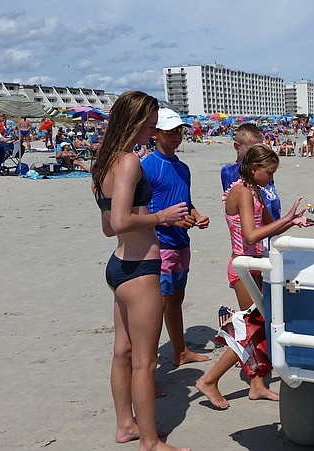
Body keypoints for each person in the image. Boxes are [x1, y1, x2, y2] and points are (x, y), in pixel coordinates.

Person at [90, 90, 190, 451]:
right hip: (141, 266)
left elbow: (107, 226)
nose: (151, 132)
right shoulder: (130, 161)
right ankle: (150, 441)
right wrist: (161, 216)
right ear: (134, 123)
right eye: (149, 126)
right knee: (145, 364)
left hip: (118, 266)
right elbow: (119, 221)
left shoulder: (103, 162)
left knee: (123, 353)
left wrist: (144, 218)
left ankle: (125, 426)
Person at [196, 143, 313, 409]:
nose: (272, 178)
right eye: (269, 173)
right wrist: (287, 218)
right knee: (252, 327)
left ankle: (257, 385)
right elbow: (251, 235)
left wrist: (293, 221)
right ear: (254, 168)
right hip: (243, 267)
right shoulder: (242, 192)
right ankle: (210, 380)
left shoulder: (256, 191)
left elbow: (271, 229)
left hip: (255, 265)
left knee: (262, 325)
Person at [140, 108, 211, 368]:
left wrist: (197, 216)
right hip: (161, 244)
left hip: (182, 243)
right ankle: (149, 364)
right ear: (156, 134)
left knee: (176, 298)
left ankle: (180, 350)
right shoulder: (147, 165)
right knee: (156, 305)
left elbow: (186, 203)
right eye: (170, 132)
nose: (176, 136)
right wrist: (170, 219)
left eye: (179, 131)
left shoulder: (183, 168)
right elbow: (140, 208)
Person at [221, 123, 281, 220]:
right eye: (252, 149)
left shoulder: (262, 165)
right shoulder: (230, 171)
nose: (257, 153)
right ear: (237, 146)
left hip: (271, 214)